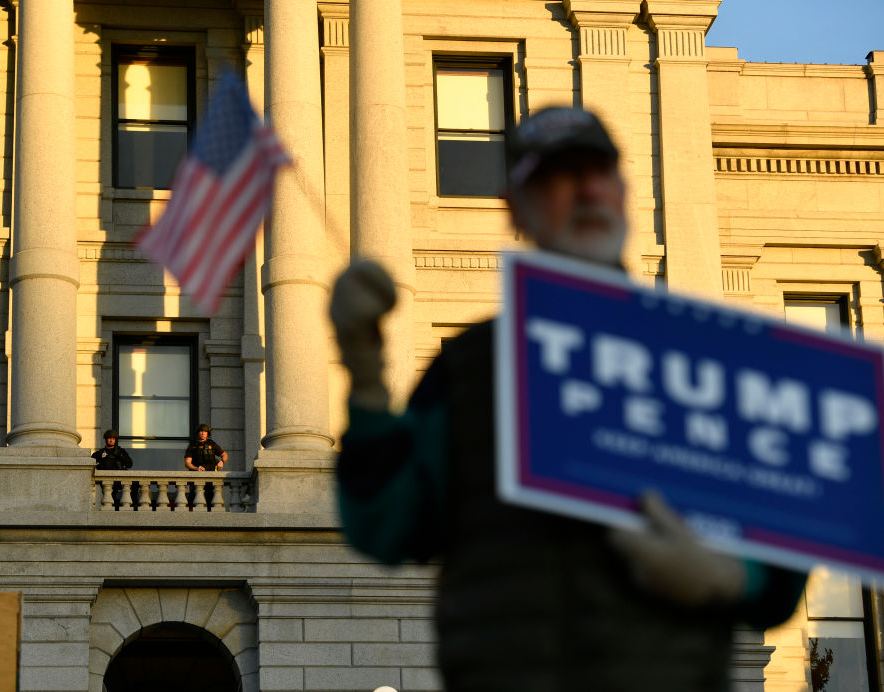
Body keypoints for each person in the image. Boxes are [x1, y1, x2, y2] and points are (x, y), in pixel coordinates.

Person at [330, 107, 806, 691]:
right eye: (556, 176)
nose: (584, 189)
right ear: (515, 207)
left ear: (625, 190)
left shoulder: (706, 357)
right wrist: (366, 376)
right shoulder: (471, 366)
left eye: (598, 170)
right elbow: (385, 527)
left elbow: (784, 555)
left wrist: (732, 579)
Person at [184, 424, 227, 509]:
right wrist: (196, 468)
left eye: (205, 431)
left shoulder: (212, 444)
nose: (203, 433)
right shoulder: (193, 446)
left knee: (211, 499)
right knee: (193, 500)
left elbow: (224, 455)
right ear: (198, 433)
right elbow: (187, 463)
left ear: (208, 433)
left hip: (211, 475)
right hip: (197, 476)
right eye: (201, 431)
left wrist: (222, 462)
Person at [92, 429, 134, 509]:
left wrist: (120, 456)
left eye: (113, 438)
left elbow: (129, 464)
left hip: (120, 480)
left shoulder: (121, 451)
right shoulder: (100, 453)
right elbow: (90, 464)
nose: (111, 440)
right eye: (109, 438)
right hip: (107, 482)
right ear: (106, 439)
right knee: (110, 502)